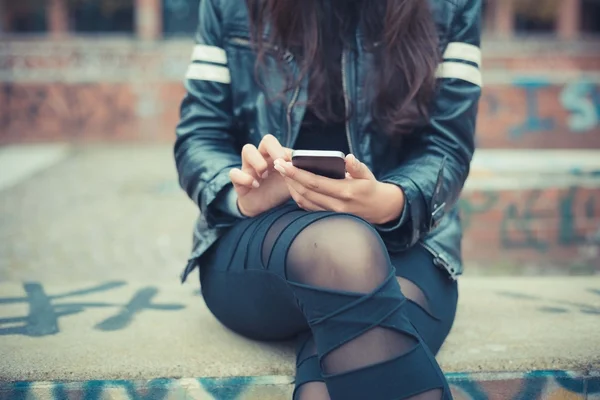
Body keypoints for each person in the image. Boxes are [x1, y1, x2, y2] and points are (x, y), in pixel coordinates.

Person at [175, 0, 481, 398]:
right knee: (344, 250)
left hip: (407, 240)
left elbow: (448, 145)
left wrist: (392, 201)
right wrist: (238, 192)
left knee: (326, 377)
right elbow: (199, 134)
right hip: (257, 239)